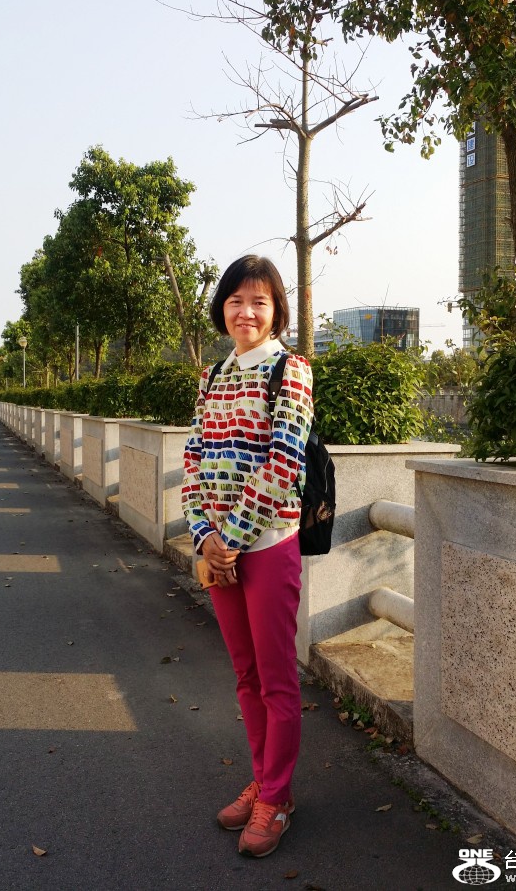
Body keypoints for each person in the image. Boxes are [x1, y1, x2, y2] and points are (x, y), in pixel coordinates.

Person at [182, 254, 314, 858]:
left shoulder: (291, 371)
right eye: (236, 300)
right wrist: (203, 534)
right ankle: (263, 781)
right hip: (220, 549)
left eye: (259, 301)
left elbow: (284, 463)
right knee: (246, 675)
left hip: (267, 546)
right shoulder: (213, 376)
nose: (246, 312)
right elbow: (194, 458)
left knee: (277, 679)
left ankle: (278, 799)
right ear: (223, 308)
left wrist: (230, 539)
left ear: (276, 309)